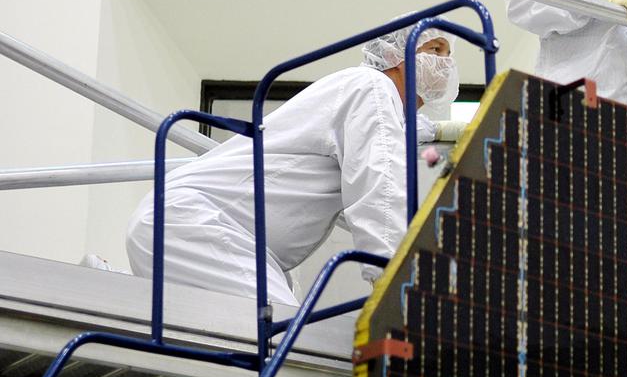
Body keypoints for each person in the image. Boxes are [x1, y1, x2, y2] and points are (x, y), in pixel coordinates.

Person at [125, 27, 462, 305]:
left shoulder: (367, 99)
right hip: (198, 225)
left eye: (448, 55)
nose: (443, 64)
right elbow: (380, 192)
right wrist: (400, 289)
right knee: (288, 346)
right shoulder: (371, 88)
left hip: (208, 232)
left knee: (263, 342)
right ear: (395, 55)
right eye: (434, 49)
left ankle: (113, 282)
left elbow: (386, 159)